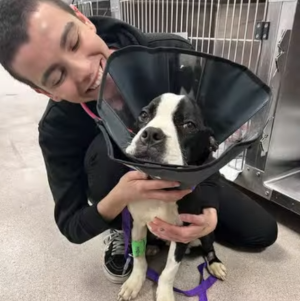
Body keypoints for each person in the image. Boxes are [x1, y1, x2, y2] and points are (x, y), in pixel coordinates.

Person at [0, 0, 278, 285]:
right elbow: (72, 225)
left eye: (73, 42)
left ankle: (181, 228)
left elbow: (206, 141)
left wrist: (208, 207)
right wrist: (119, 198)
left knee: (262, 232)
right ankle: (124, 229)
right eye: (57, 77)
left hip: (184, 175)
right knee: (109, 148)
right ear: (44, 91)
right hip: (117, 185)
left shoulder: (170, 53)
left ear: (84, 19)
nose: (83, 70)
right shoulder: (57, 129)